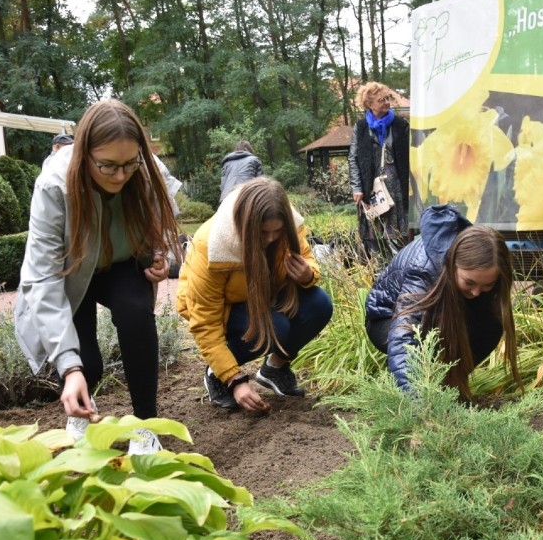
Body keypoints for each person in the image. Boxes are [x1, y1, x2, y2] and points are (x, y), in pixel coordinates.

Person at [15, 99, 182, 455]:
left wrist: (159, 257)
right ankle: (81, 412)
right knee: (85, 360)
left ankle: (145, 426)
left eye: (128, 164)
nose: (120, 176)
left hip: (122, 265)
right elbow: (41, 278)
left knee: (136, 314)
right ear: (84, 154)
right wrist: (68, 366)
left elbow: (164, 224)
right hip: (71, 270)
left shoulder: (147, 171)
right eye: (107, 166)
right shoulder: (54, 186)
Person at [176, 177, 334, 412]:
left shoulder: (285, 230)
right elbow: (205, 323)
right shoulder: (211, 245)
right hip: (225, 310)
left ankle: (275, 369)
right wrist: (235, 379)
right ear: (245, 225)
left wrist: (306, 275)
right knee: (273, 328)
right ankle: (216, 374)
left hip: (262, 299)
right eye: (262, 232)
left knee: (319, 303)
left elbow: (307, 259)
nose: (271, 239)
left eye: (277, 232)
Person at [365, 204, 522, 399]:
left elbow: (483, 319)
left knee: (492, 324)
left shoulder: (483, 266)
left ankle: (449, 389)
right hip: (387, 319)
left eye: (487, 285)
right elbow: (403, 336)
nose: (476, 292)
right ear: (452, 263)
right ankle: (420, 390)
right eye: (469, 282)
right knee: (431, 335)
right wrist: (416, 402)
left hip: (437, 312)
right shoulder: (423, 269)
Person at [348, 82, 410, 257]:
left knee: (398, 237)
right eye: (381, 100)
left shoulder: (400, 124)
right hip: (371, 189)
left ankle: (400, 271)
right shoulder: (360, 128)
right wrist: (357, 188)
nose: (387, 102)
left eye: (387, 98)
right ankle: (377, 274)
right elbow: (353, 158)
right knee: (374, 238)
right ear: (370, 104)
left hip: (396, 188)